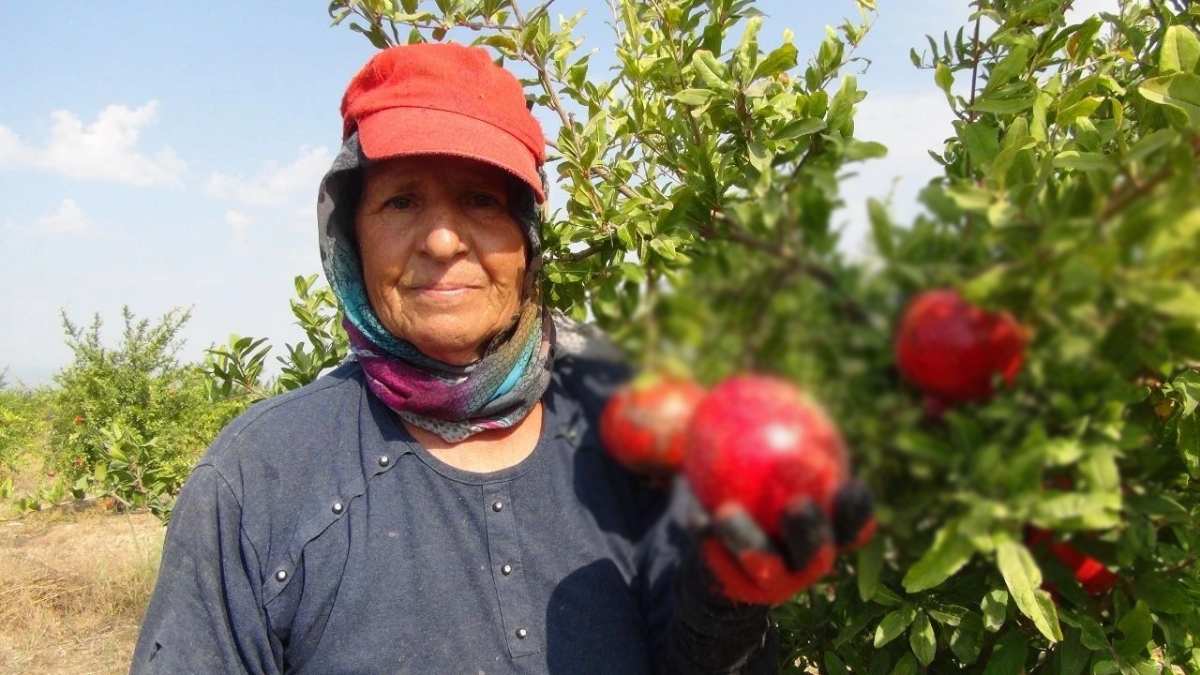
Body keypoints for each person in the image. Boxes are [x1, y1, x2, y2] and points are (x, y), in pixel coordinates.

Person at [130, 42, 872, 674]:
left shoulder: (631, 440)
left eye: (481, 201)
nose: (444, 240)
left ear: (526, 241)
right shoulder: (260, 482)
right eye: (400, 202)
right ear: (349, 235)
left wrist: (730, 604)